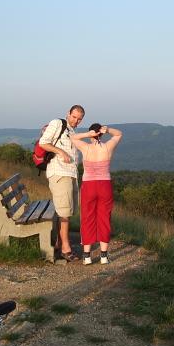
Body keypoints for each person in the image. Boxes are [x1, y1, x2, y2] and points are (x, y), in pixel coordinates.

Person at [67, 124, 123, 265]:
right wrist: (108, 129)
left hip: (89, 186)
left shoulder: (86, 148)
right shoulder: (107, 147)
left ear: (92, 134)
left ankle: (87, 256)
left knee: (87, 218)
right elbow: (119, 134)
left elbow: (72, 137)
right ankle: (103, 256)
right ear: (101, 135)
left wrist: (87, 134)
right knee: (104, 218)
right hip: (105, 185)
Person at [37, 105, 85, 263]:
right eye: (74, 117)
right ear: (68, 114)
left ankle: (59, 243)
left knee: (66, 211)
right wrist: (61, 152)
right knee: (64, 213)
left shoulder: (72, 131)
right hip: (59, 173)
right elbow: (44, 142)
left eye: (79, 119)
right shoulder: (58, 123)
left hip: (70, 174)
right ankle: (65, 248)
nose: (76, 120)